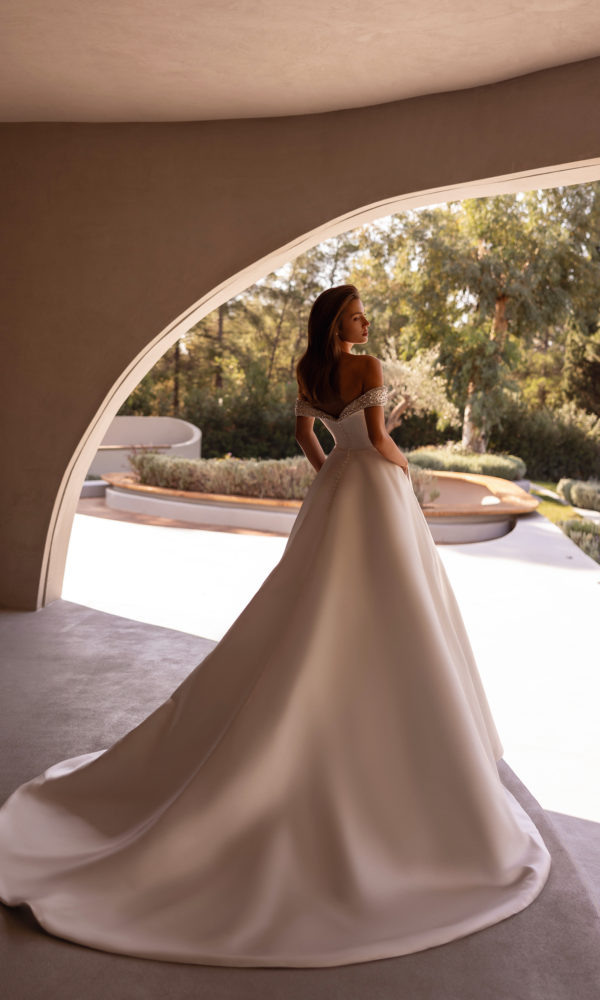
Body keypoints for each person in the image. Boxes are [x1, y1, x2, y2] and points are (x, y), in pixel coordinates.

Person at [0, 284, 550, 969]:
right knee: (390, 599)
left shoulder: (307, 369)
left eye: (361, 316)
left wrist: (333, 474)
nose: (363, 322)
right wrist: (406, 473)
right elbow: (380, 441)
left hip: (338, 491)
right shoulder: (369, 367)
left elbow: (305, 437)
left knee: (317, 600)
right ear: (336, 322)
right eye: (354, 315)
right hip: (376, 491)